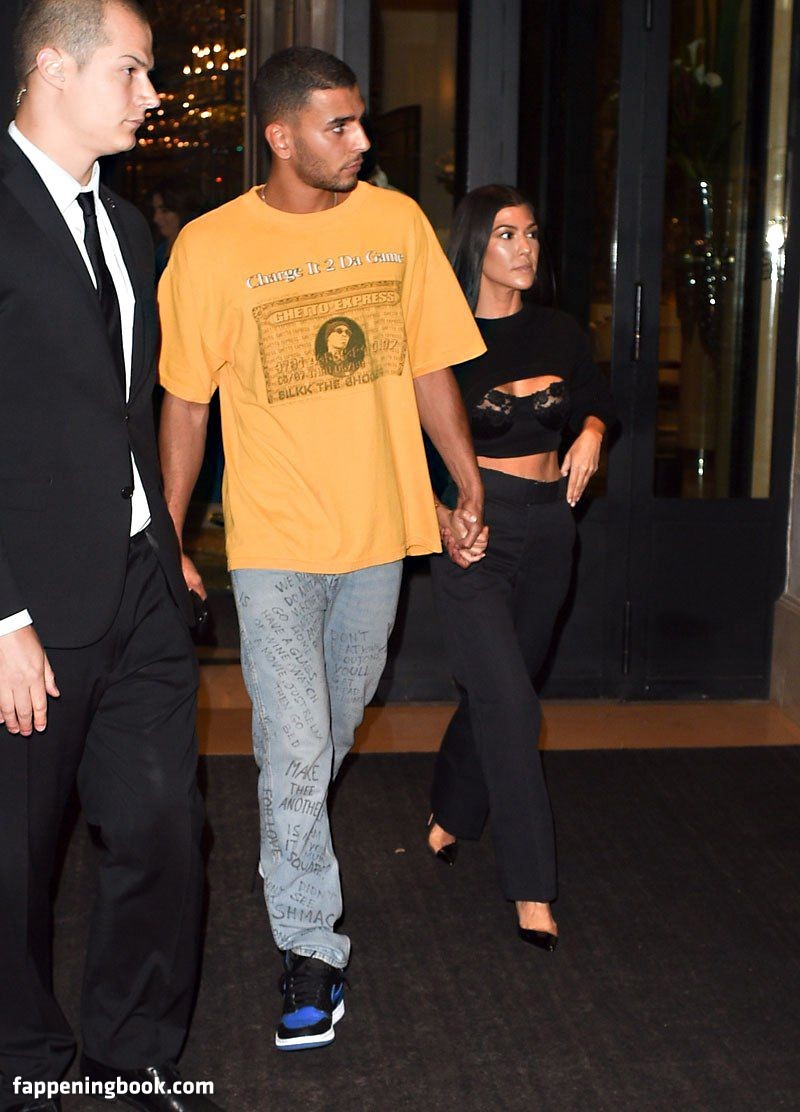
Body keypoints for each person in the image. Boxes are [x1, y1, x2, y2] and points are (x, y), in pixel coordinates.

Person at [157, 46, 485, 1053]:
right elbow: (186, 403)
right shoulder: (212, 246)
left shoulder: (396, 223)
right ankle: (309, 947)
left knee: (318, 740)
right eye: (339, 125)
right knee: (297, 750)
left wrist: (461, 478)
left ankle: (284, 834)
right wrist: (170, 535)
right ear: (281, 136)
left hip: (379, 532)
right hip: (274, 541)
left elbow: (427, 363)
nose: (362, 141)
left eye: (359, 121)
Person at [0, 3, 222, 1110]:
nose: (151, 94)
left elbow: (125, 414)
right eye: (132, 71)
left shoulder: (129, 229)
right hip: (26, 603)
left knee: (164, 824)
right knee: (15, 860)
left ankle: (130, 1061)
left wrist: (166, 546)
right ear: (53, 65)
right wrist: (1, 616)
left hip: (139, 580)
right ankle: (28, 1067)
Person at [426, 184, 616, 949]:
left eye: (531, 233)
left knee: (502, 689)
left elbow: (597, 395)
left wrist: (592, 430)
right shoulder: (442, 339)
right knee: (513, 705)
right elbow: (404, 447)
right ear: (476, 245)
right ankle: (532, 887)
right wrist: (440, 517)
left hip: (551, 529)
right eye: (507, 235)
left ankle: (451, 808)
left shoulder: (559, 329)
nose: (526, 248)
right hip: (475, 533)